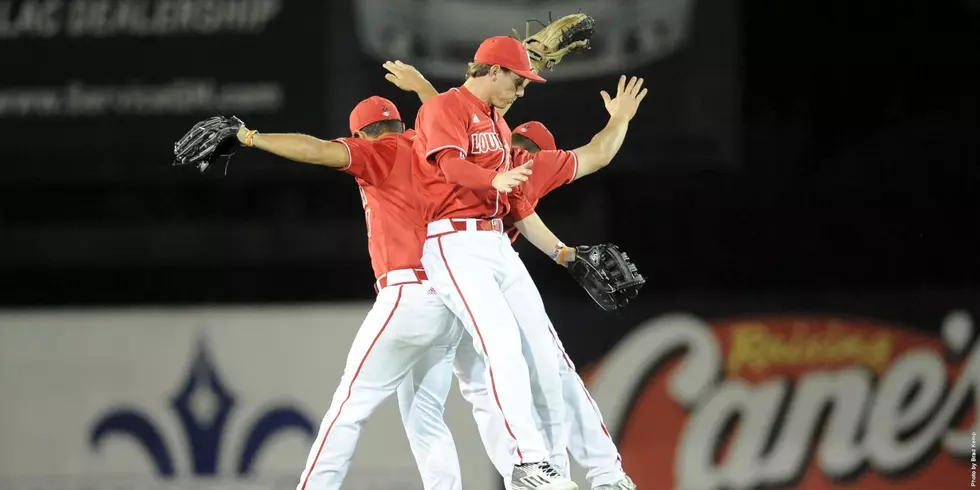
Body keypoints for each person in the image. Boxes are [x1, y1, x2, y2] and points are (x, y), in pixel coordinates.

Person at [385, 61, 646, 490]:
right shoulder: (503, 152)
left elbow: (513, 200)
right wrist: (619, 119)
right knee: (537, 370)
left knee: (483, 386)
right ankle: (569, 470)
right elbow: (455, 131)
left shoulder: (516, 160)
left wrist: (566, 254)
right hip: (455, 267)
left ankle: (548, 470)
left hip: (449, 278)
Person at [230, 97, 465, 490]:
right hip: (449, 300)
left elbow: (319, 151)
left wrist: (251, 137)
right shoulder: (428, 148)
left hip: (407, 296)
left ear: (360, 135)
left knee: (349, 406)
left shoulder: (381, 150)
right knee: (426, 418)